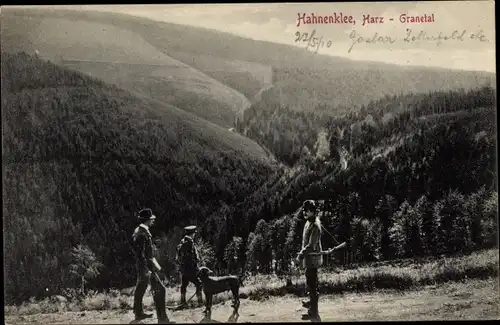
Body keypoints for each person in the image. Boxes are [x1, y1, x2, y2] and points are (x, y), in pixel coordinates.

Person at [132, 208, 171, 323]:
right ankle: (162, 318)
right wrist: (147, 269)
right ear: (147, 220)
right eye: (151, 219)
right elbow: (141, 254)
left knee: (141, 288)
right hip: (147, 267)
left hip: (145, 266)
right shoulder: (142, 234)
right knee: (160, 290)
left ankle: (138, 313)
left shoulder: (140, 231)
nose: (153, 221)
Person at [296, 200, 323, 321]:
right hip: (309, 258)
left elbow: (311, 246)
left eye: (306, 211)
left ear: (312, 211)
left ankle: (314, 312)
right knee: (310, 282)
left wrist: (300, 254)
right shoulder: (309, 222)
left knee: (312, 285)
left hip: (313, 259)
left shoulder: (315, 226)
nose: (304, 212)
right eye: (303, 210)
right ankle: (311, 305)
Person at [176, 225, 204, 308]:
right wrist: (195, 267)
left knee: (184, 285)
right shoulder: (189, 243)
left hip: (184, 269)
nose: (194, 235)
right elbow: (191, 257)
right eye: (194, 233)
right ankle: (200, 303)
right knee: (199, 284)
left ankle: (183, 302)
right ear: (192, 234)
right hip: (190, 268)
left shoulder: (182, 241)